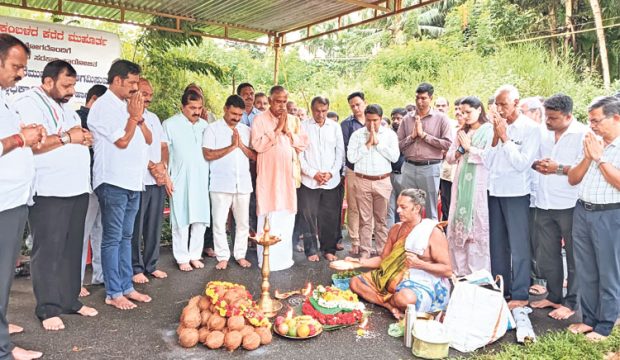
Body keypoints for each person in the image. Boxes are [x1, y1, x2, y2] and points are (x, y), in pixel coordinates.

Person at [14, 59, 97, 330]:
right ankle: (48, 307)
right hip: (49, 190)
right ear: (48, 82)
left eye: (73, 85)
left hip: (77, 188)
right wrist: (69, 138)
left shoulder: (69, 109)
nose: (72, 91)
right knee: (48, 250)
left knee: (73, 248)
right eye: (66, 85)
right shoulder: (28, 103)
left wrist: (83, 137)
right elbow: (35, 144)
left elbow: (77, 135)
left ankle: (70, 300)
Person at [88, 59, 153, 310]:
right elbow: (123, 141)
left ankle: (126, 286)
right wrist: (133, 117)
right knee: (113, 238)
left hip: (133, 181)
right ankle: (113, 291)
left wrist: (139, 118)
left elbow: (147, 139)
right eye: (132, 83)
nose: (136, 88)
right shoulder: (103, 106)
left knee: (126, 237)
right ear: (117, 81)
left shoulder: (130, 105)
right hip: (112, 181)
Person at [0, 33, 44, 360]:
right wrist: (20, 138)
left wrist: (26, 138)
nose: (20, 74)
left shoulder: (4, 99)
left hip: (13, 200)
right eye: (16, 66)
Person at [348, 189, 452, 319]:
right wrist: (355, 263)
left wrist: (420, 264)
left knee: (405, 298)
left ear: (417, 208)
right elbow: (383, 259)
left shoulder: (432, 232)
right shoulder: (396, 229)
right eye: (398, 206)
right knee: (355, 282)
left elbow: (447, 270)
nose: (398, 211)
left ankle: (391, 300)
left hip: (418, 281)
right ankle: (389, 305)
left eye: (403, 207)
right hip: (390, 277)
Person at [529, 94, 587, 320]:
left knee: (573, 255)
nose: (548, 121)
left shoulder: (583, 134)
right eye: (546, 116)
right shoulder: (543, 132)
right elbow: (532, 158)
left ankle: (572, 302)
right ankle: (554, 295)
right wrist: (537, 164)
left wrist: (557, 168)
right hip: (543, 201)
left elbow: (584, 168)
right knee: (547, 254)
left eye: (553, 118)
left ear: (568, 116)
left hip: (570, 203)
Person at [483, 84, 541, 309]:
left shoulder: (530, 128)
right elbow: (487, 161)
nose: (499, 109)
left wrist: (505, 138)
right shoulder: (494, 126)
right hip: (495, 190)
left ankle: (520, 293)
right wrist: (496, 137)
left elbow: (521, 164)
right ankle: (501, 288)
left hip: (516, 192)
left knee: (518, 245)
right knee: (497, 244)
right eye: (496, 104)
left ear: (516, 103)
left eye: (503, 104)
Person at [567, 96, 620, 341]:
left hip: (610, 214)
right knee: (585, 269)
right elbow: (573, 178)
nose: (592, 126)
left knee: (609, 271)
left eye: (597, 121)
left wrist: (600, 158)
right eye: (590, 121)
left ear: (616, 118)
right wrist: (589, 156)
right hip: (582, 211)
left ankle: (606, 324)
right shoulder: (592, 144)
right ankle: (588, 319)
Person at [251, 85, 308, 271]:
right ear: (270, 100)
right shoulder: (259, 119)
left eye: (284, 101)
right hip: (269, 178)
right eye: (277, 101)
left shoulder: (293, 120)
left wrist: (288, 132)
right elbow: (257, 145)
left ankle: (283, 260)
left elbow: (303, 144)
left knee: (285, 217)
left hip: (287, 178)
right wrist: (277, 130)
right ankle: (266, 261)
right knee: (268, 216)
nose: (281, 105)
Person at [203, 95, 255, 270]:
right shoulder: (212, 129)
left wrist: (240, 146)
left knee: (243, 223)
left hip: (243, 184)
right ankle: (223, 256)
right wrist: (231, 147)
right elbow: (208, 154)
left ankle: (240, 255)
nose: (236, 118)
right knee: (218, 222)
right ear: (225, 108)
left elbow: (254, 156)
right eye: (233, 113)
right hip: (220, 183)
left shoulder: (246, 130)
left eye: (240, 115)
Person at [445, 96, 493, 276]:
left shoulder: (489, 131)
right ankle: (459, 271)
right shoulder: (461, 132)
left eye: (468, 112)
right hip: (460, 182)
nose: (464, 116)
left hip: (478, 184)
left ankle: (478, 273)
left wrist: (470, 148)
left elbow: (489, 157)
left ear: (479, 110)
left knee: (477, 226)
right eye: (462, 112)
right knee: (459, 225)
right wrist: (461, 149)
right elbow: (450, 158)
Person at [163, 89, 210, 272]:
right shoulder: (169, 124)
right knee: (180, 218)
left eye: (199, 108)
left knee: (200, 218)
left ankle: (195, 255)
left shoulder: (205, 125)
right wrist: (166, 176)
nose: (196, 111)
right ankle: (182, 257)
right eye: (192, 107)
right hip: (179, 178)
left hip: (201, 179)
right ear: (183, 107)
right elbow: (164, 152)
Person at [131, 78, 170, 284]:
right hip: (140, 180)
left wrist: (162, 166)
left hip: (157, 180)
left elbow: (163, 146)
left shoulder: (153, 117)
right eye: (144, 94)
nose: (148, 99)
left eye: (150, 95)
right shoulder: (129, 116)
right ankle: (136, 267)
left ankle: (151, 264)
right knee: (136, 227)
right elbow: (133, 148)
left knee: (154, 225)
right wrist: (152, 167)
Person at [347, 104, 400, 257]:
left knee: (382, 219)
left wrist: (378, 144)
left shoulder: (389, 135)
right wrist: (367, 144)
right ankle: (365, 251)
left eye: (375, 120)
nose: (371, 124)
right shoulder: (357, 135)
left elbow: (395, 157)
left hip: (382, 181)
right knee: (365, 219)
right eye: (368, 120)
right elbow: (351, 158)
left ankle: (382, 251)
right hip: (362, 180)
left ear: (381, 119)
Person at [298, 96, 345, 262]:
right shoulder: (302, 127)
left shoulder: (334, 127)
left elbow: (339, 153)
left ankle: (329, 249)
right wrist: (313, 173)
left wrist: (331, 173)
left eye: (324, 111)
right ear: (312, 109)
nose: (321, 114)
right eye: (317, 110)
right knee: (308, 216)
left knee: (330, 216)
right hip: (309, 180)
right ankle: (311, 251)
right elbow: (299, 154)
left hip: (331, 180)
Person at [397, 83, 453, 220]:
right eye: (417, 98)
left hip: (430, 167)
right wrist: (413, 136)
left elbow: (447, 144)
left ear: (431, 98)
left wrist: (424, 136)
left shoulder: (441, 118)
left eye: (423, 98)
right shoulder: (407, 118)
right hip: (409, 166)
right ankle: (409, 239)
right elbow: (398, 145)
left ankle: (430, 240)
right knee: (407, 206)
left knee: (430, 208)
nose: (419, 102)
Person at [77, 84, 107, 297]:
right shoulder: (78, 118)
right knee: (82, 233)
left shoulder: (100, 121)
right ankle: (75, 282)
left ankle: (100, 275)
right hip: (84, 183)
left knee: (101, 231)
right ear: (94, 99)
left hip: (101, 182)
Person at [341, 91, 367, 255]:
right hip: (353, 169)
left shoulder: (374, 120)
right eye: (352, 106)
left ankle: (366, 242)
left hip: (371, 171)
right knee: (353, 207)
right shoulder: (347, 124)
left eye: (358, 104)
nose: (356, 108)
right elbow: (345, 149)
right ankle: (355, 241)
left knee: (368, 208)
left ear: (364, 102)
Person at [387, 108, 406, 228]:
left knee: (403, 206)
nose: (396, 121)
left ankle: (403, 235)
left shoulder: (409, 134)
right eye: (393, 118)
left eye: (399, 118)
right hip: (388, 175)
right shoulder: (387, 134)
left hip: (403, 175)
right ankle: (390, 235)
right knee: (389, 208)